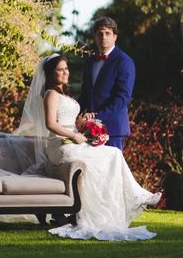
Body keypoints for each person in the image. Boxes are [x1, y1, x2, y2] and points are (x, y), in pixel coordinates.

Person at [30, 54, 161, 241]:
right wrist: (74, 135)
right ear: (51, 74)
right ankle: (137, 198)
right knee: (108, 156)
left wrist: (88, 129)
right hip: (60, 145)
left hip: (73, 139)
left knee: (114, 153)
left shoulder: (63, 94)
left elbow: (70, 123)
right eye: (60, 69)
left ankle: (136, 197)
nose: (65, 72)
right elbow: (51, 124)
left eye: (66, 68)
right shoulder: (51, 94)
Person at [78, 17, 134, 150]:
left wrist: (98, 117)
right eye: (100, 33)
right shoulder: (90, 62)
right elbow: (85, 94)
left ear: (115, 37)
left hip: (113, 130)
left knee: (111, 170)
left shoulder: (124, 61)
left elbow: (123, 97)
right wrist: (72, 111)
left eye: (107, 33)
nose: (103, 37)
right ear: (95, 37)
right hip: (89, 128)